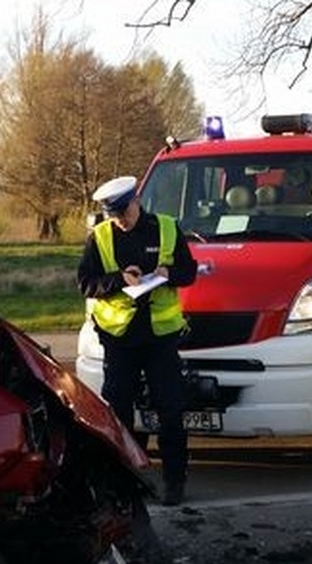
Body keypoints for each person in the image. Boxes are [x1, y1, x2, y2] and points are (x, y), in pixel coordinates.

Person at [78, 175, 197, 506]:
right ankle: (127, 482)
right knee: (118, 413)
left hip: (160, 338)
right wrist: (118, 279)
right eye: (113, 216)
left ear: (136, 202)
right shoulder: (100, 236)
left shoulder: (167, 228)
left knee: (170, 409)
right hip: (120, 339)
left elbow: (189, 271)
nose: (119, 221)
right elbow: (85, 283)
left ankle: (174, 482)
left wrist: (167, 275)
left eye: (123, 213)